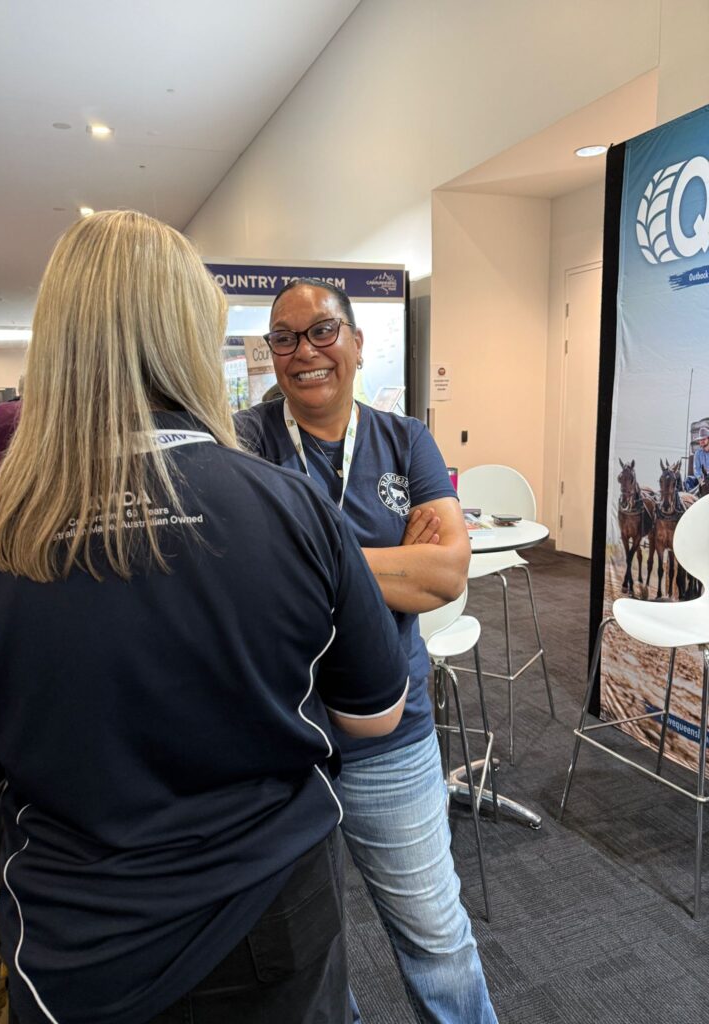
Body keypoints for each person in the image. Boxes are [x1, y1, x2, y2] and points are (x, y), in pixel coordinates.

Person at [0, 213, 410, 1024]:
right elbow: (376, 713)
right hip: (275, 915)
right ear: (191, 332)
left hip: (74, 944)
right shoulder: (291, 506)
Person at [236, 279, 498, 1024]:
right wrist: (387, 566)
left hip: (395, 738)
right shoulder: (245, 440)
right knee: (306, 954)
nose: (304, 352)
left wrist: (300, 563)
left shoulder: (404, 438)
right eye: (284, 339)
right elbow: (241, 578)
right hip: (280, 740)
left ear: (356, 341)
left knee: (439, 943)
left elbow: (446, 572)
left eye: (321, 331)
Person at [684, 425, 709, 491]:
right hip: (701, 479)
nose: (701, 441)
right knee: (688, 480)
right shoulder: (698, 453)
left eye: (704, 439)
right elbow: (696, 469)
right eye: (700, 440)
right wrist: (700, 479)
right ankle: (692, 499)